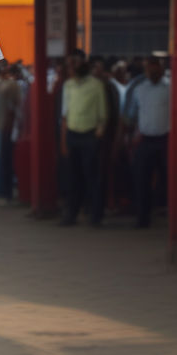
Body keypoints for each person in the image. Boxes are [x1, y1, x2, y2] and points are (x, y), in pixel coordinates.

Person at [59, 48, 108, 226]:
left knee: (92, 178)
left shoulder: (96, 85)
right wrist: (64, 140)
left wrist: (97, 136)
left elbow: (103, 115)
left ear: (83, 64)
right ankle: (71, 214)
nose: (72, 67)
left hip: (90, 135)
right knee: (73, 178)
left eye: (75, 63)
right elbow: (65, 115)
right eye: (70, 64)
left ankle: (95, 216)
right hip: (73, 134)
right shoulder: (68, 85)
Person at [125, 55, 170, 228]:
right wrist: (128, 138)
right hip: (146, 140)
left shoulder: (169, 89)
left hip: (165, 140)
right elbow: (130, 116)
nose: (152, 71)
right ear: (145, 70)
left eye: (155, 68)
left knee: (167, 180)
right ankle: (143, 218)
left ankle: (168, 214)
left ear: (161, 69)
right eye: (148, 68)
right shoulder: (139, 89)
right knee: (141, 180)